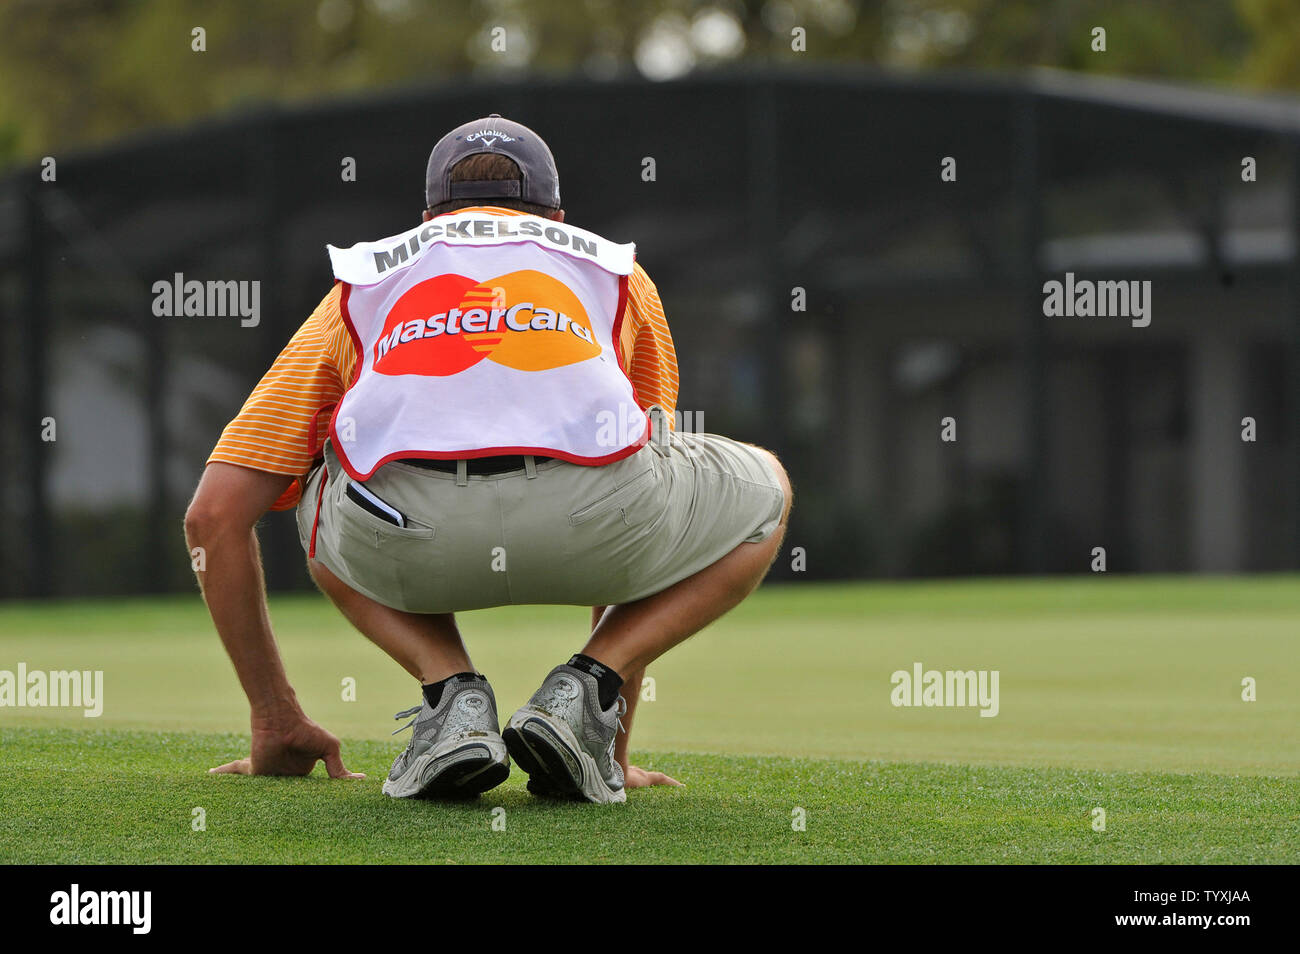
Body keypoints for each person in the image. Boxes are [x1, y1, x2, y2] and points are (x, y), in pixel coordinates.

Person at [184, 114, 792, 803]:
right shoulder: (612, 270)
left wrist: (275, 718)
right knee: (767, 489)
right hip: (593, 520)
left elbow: (214, 517)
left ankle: (451, 697)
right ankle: (585, 693)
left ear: (427, 217)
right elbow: (633, 463)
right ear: (557, 216)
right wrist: (609, 742)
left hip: (407, 539)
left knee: (319, 491)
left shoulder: (364, 283)